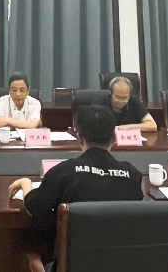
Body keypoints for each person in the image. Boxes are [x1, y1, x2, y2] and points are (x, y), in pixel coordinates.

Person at [9, 106, 143, 263]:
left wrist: (26, 184)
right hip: (120, 264)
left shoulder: (64, 172)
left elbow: (35, 207)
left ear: (80, 137)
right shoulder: (133, 176)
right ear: (114, 138)